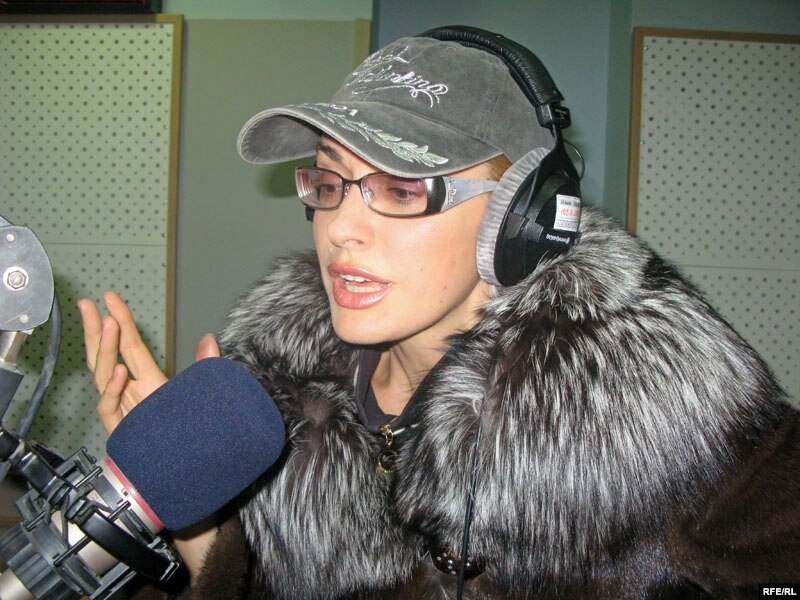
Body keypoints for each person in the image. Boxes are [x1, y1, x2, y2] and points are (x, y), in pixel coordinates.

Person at [78, 28, 799, 599]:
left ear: (522, 217)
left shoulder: (664, 407)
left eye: (400, 188)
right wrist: (204, 526)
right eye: (329, 181)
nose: (340, 229)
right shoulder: (272, 398)